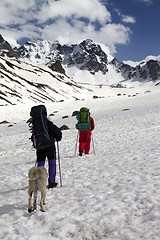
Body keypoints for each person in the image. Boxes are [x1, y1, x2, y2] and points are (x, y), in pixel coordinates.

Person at [30, 107, 62, 188]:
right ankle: (51, 182)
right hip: (50, 147)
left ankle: (38, 183)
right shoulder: (49, 124)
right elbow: (58, 134)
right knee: (52, 164)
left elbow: (32, 137)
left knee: (40, 165)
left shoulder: (36, 125)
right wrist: (57, 138)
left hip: (40, 148)